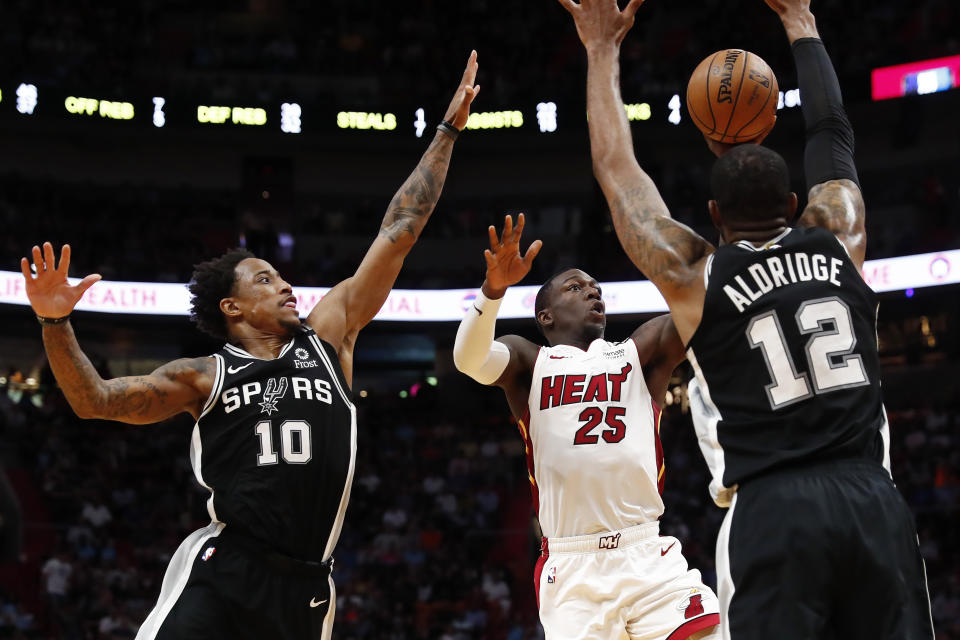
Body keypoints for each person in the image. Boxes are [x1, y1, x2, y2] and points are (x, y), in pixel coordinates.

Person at [18, 52, 480, 640]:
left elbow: (399, 228)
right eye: (264, 279)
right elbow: (95, 400)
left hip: (307, 586)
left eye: (281, 275)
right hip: (225, 571)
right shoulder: (204, 376)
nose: (285, 284)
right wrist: (54, 323)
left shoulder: (328, 338)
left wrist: (447, 132)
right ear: (231, 308)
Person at [556, 0, 933, 638]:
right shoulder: (841, 236)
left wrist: (601, 50)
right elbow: (831, 132)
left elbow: (617, 174)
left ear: (713, 215)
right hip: (871, 497)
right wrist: (801, 23)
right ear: (795, 204)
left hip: (771, 509)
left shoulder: (697, 276)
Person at [454, 214, 719, 640]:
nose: (592, 291)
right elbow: (469, 360)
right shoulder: (528, 360)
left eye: (595, 287)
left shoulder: (640, 351)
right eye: (575, 288)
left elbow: (702, 306)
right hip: (574, 567)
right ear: (546, 316)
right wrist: (493, 292)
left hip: (647, 551)